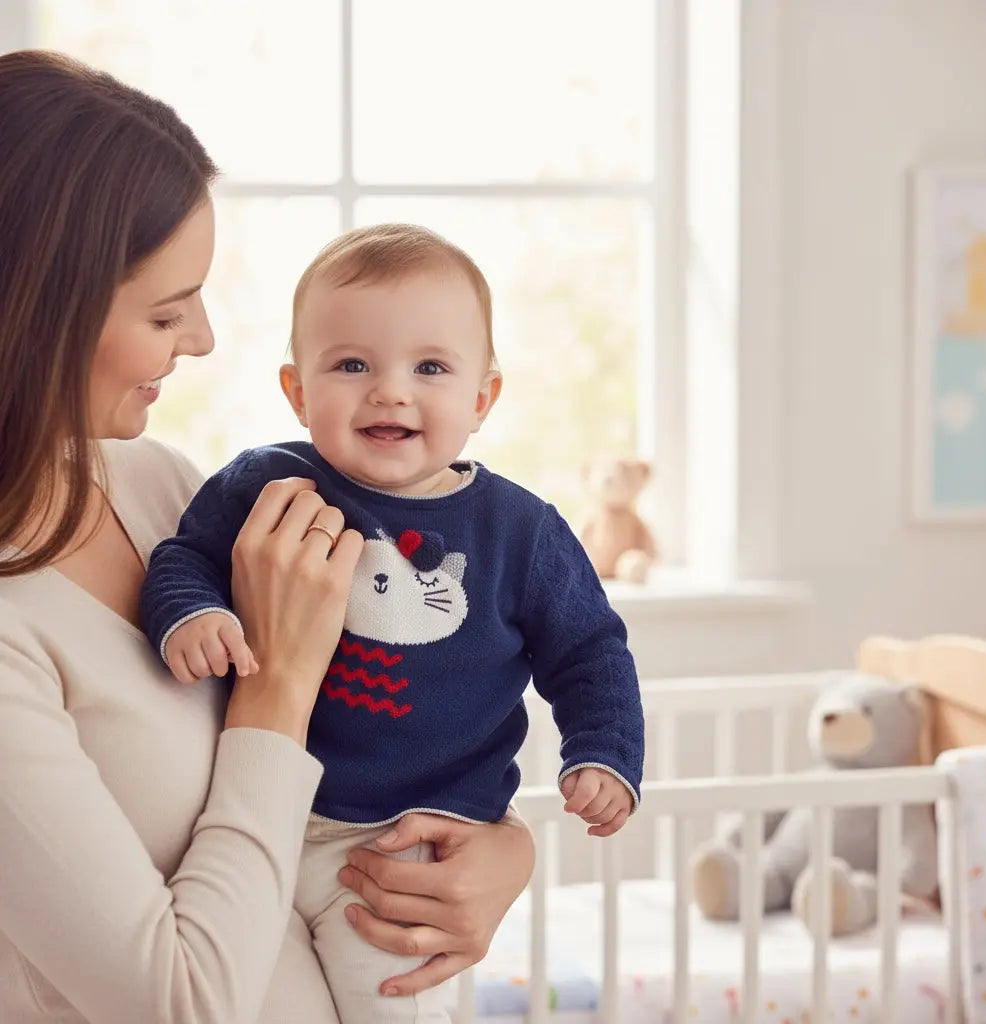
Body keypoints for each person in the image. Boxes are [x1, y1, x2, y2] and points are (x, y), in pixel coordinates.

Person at [0, 49, 535, 1024]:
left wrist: (504, 848)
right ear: (39, 314)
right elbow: (181, 1002)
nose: (201, 339)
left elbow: (375, 724)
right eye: (166, 311)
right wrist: (278, 684)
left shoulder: (161, 489)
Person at [140, 222, 646, 1022]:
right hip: (259, 816)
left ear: (482, 398)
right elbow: (184, 557)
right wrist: (192, 613)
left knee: (391, 1008)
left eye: (431, 368)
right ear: (297, 391)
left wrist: (605, 755)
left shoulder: (522, 531)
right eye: (351, 365)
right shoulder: (263, 484)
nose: (391, 391)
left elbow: (591, 651)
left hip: (407, 845)